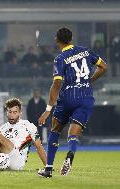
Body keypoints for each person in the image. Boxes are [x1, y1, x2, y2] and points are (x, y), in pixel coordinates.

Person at [37, 28, 108, 178]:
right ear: (71, 38)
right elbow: (103, 66)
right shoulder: (86, 51)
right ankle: (70, 154)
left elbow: (56, 84)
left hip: (67, 98)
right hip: (85, 98)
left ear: (57, 39)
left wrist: (48, 108)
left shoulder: (60, 59)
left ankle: (48, 169)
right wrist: (90, 80)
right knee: (73, 133)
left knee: (55, 131)